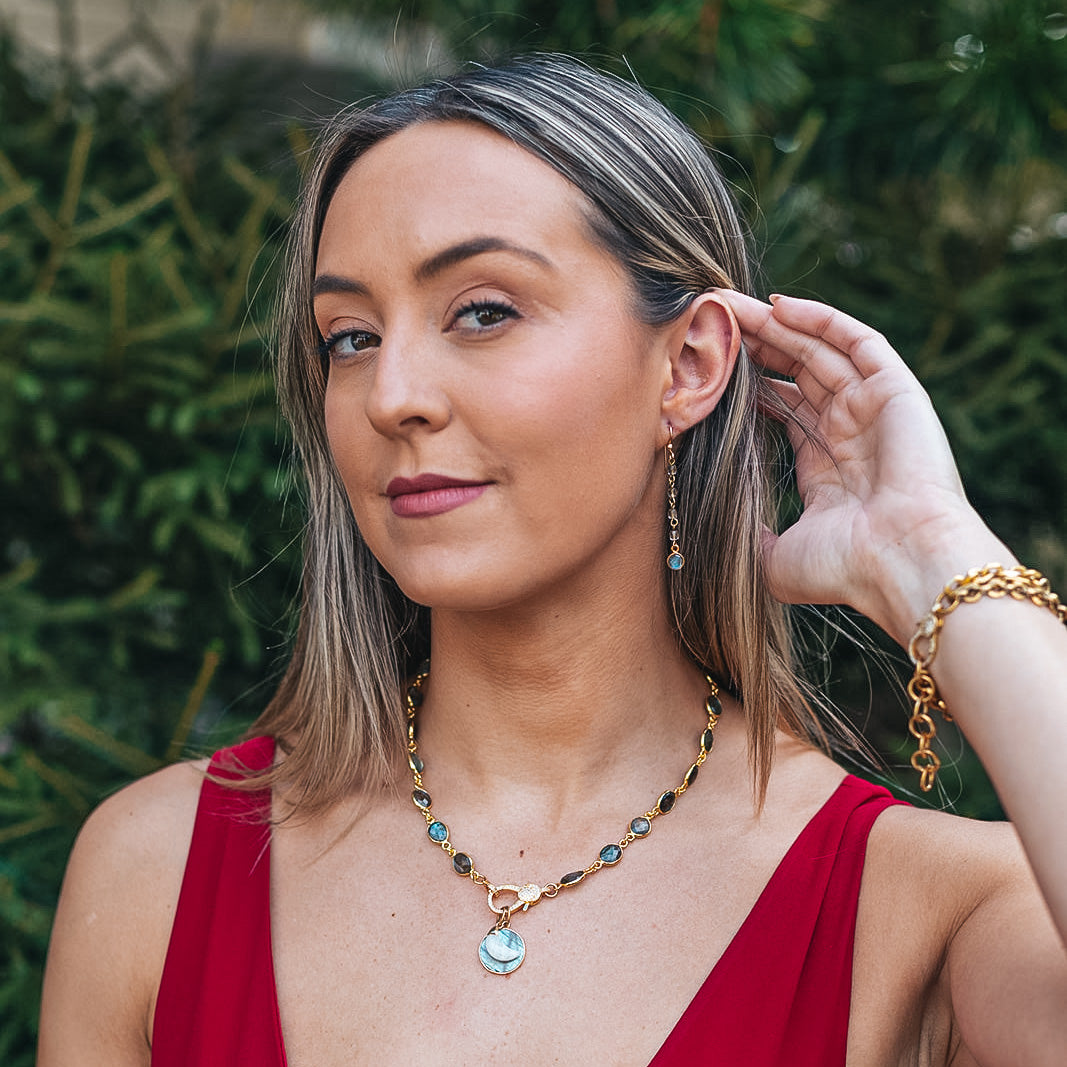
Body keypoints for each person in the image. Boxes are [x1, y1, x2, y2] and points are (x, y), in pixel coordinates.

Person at [37, 54, 1066, 1066]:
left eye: (482, 311)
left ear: (688, 364)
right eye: (348, 336)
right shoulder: (158, 867)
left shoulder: (924, 908)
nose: (391, 393)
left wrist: (936, 558)